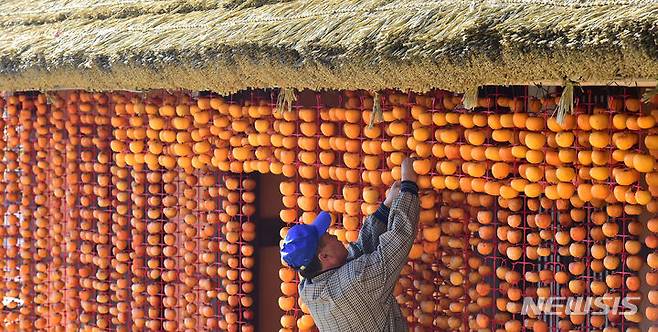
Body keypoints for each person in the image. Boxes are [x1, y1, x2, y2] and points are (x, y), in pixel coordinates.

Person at [280, 158, 420, 331]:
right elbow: (399, 239)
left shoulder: (310, 289)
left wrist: (386, 207)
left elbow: (358, 254)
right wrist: (409, 185)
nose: (334, 236)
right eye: (328, 236)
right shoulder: (356, 281)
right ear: (324, 256)